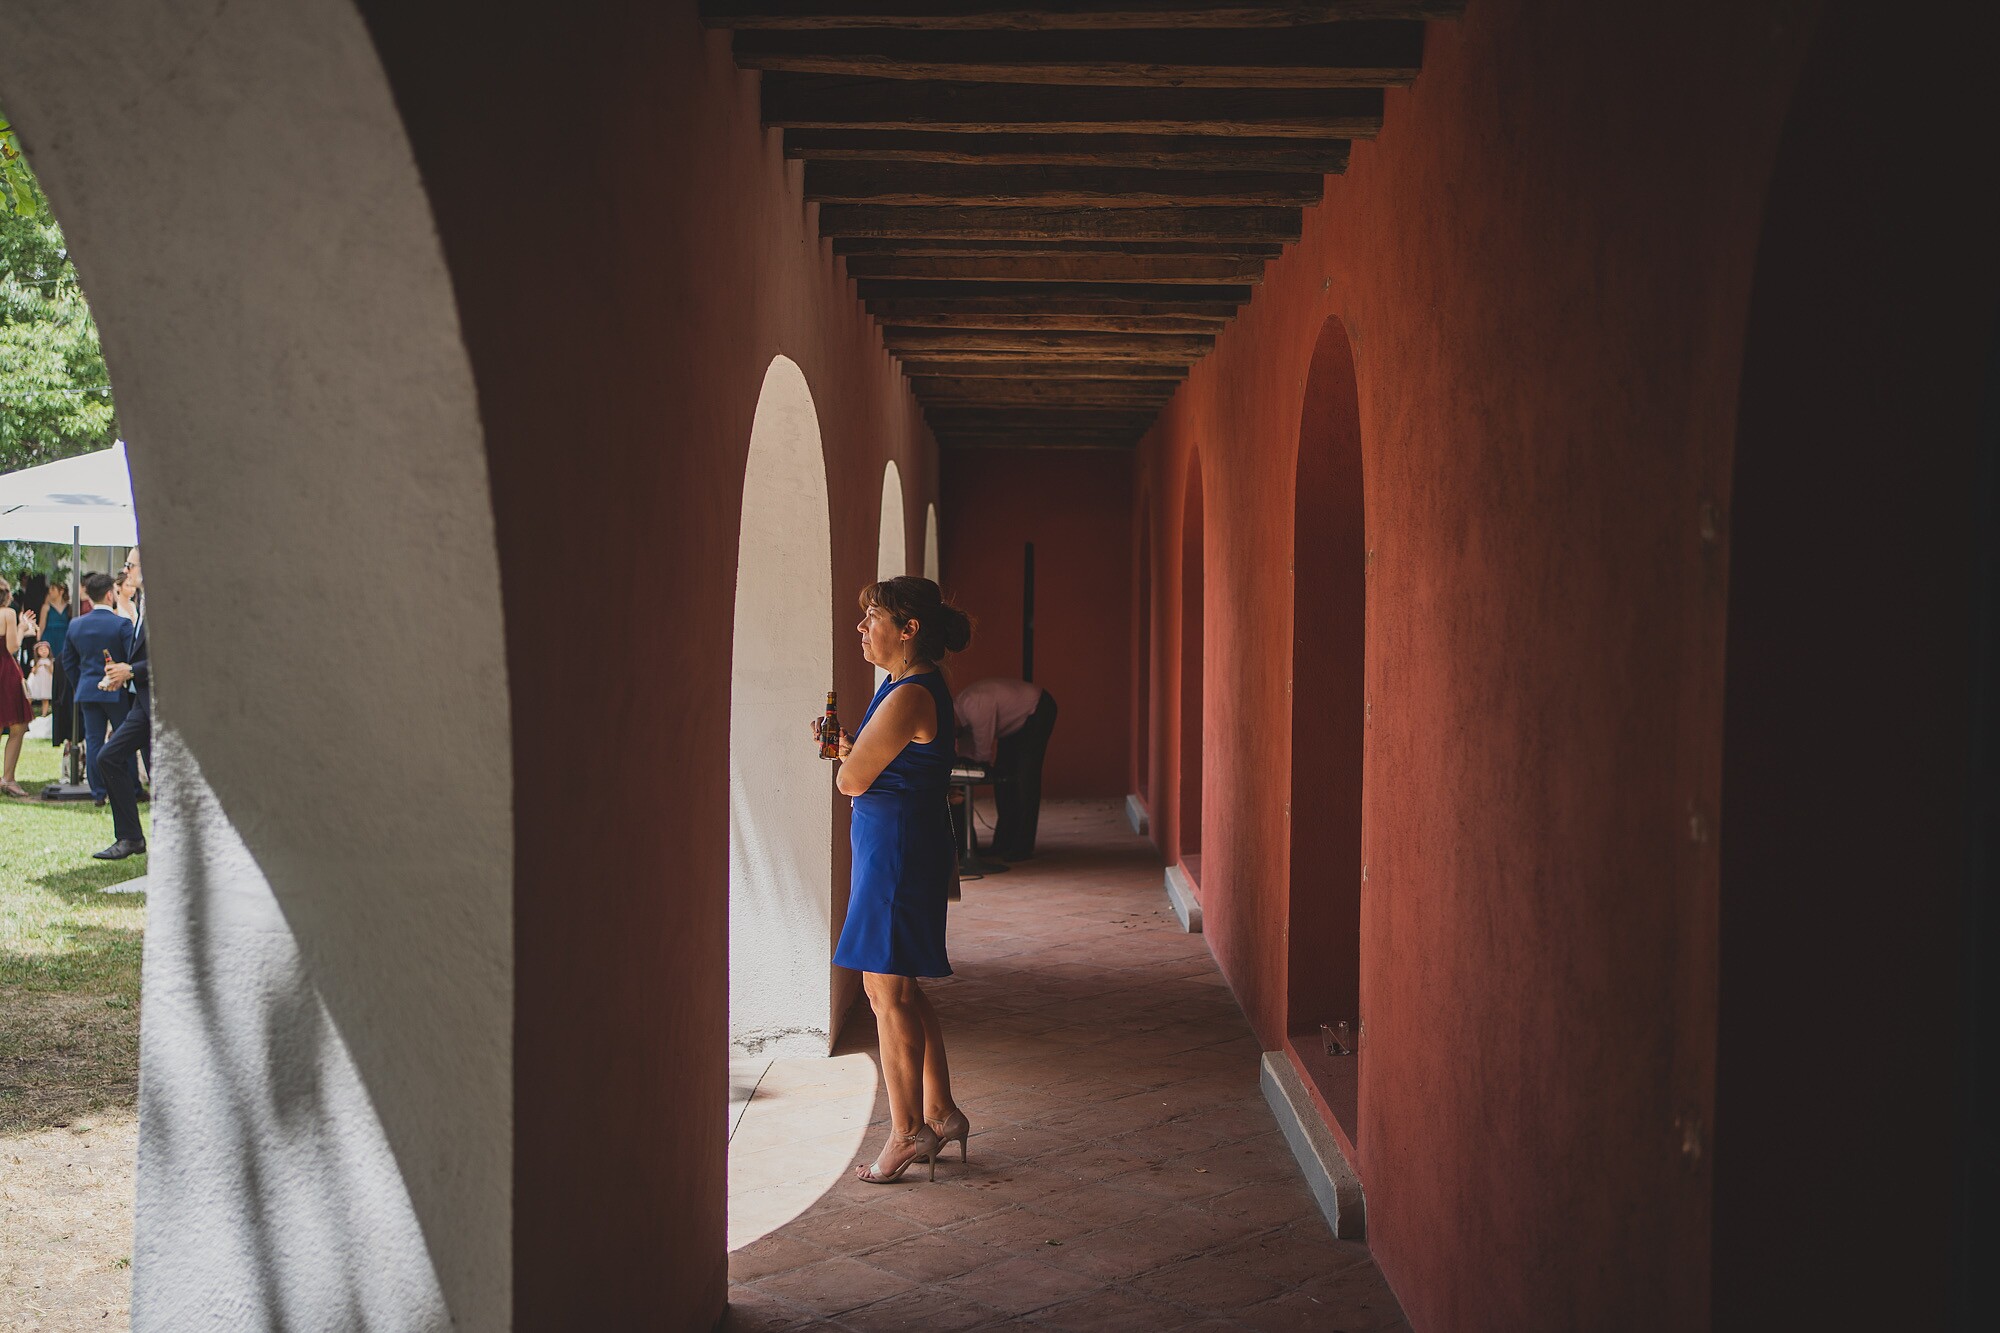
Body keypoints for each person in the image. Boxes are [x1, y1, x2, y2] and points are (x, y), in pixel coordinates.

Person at [822, 575, 973, 1184]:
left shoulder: (909, 693)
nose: (861, 628)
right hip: (898, 845)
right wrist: (852, 750)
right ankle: (941, 1112)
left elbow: (852, 781)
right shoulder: (904, 684)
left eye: (873, 618)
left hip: (896, 853)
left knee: (885, 992)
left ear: (908, 630)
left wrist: (847, 759)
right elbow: (879, 765)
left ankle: (908, 1132)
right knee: (900, 987)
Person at [953, 676, 1058, 861]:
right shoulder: (960, 717)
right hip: (1013, 723)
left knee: (1025, 780)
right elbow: (967, 753)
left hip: (1037, 708)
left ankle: (1022, 846)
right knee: (1003, 781)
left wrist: (975, 765)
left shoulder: (973, 706)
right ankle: (1002, 843)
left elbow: (983, 753)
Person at [94, 548, 150, 860]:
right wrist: (122, 674)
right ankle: (130, 837)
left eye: (130, 564)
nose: (125, 570)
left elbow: (177, 660)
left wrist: (132, 671)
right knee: (109, 757)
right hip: (143, 703)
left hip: (162, 706)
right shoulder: (142, 602)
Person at [61, 571, 135, 806]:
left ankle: (99, 792)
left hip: (88, 690)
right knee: (125, 738)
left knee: (94, 741)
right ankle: (131, 787)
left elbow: (68, 661)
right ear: (109, 595)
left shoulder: (76, 624)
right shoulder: (121, 624)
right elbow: (131, 656)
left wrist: (81, 682)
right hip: (116, 690)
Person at [0, 575, 36, 797]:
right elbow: (12, 647)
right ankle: (8, 778)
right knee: (18, 725)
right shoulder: (7, 613)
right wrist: (22, 628)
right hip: (5, 671)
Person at [27, 641, 54, 716]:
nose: (44, 651)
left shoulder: (51, 661)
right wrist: (37, 666)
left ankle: (44, 714)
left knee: (45, 698)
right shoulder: (35, 661)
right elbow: (33, 672)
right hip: (37, 681)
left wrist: (48, 666)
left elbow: (52, 672)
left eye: (45, 649)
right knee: (30, 696)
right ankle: (28, 712)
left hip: (46, 681)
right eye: (41, 649)